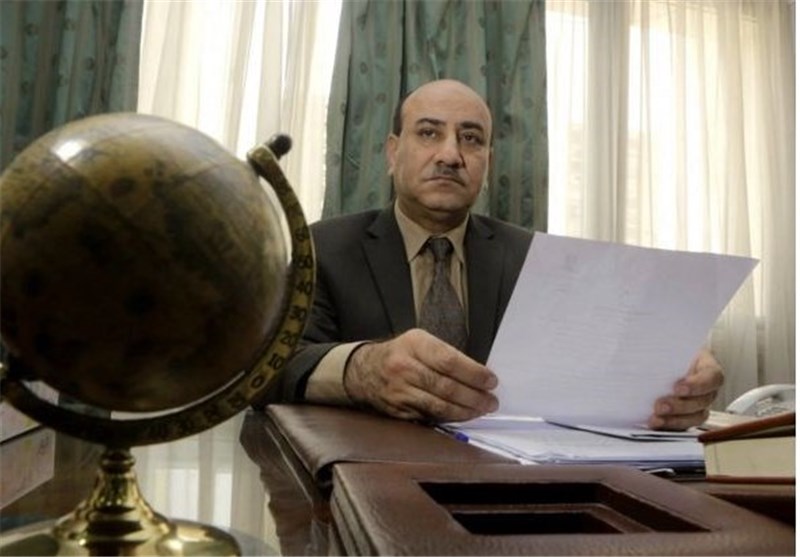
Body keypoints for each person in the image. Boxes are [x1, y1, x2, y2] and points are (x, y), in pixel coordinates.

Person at [263, 78, 723, 431]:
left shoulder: (531, 256)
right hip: (363, 479)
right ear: (392, 153)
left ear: (488, 162)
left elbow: (603, 342)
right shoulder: (323, 248)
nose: (450, 155)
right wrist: (361, 370)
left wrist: (672, 364)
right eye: (429, 133)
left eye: (471, 139)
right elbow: (270, 369)